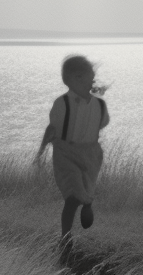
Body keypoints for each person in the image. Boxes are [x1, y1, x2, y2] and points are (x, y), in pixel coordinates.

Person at [37, 55, 110, 250]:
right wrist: (41, 151)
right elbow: (51, 129)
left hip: (91, 155)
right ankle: (66, 238)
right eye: (87, 78)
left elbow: (101, 124)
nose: (91, 81)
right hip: (66, 153)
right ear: (72, 80)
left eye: (91, 77)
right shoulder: (62, 104)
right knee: (71, 195)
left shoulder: (99, 105)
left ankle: (87, 203)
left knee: (85, 190)